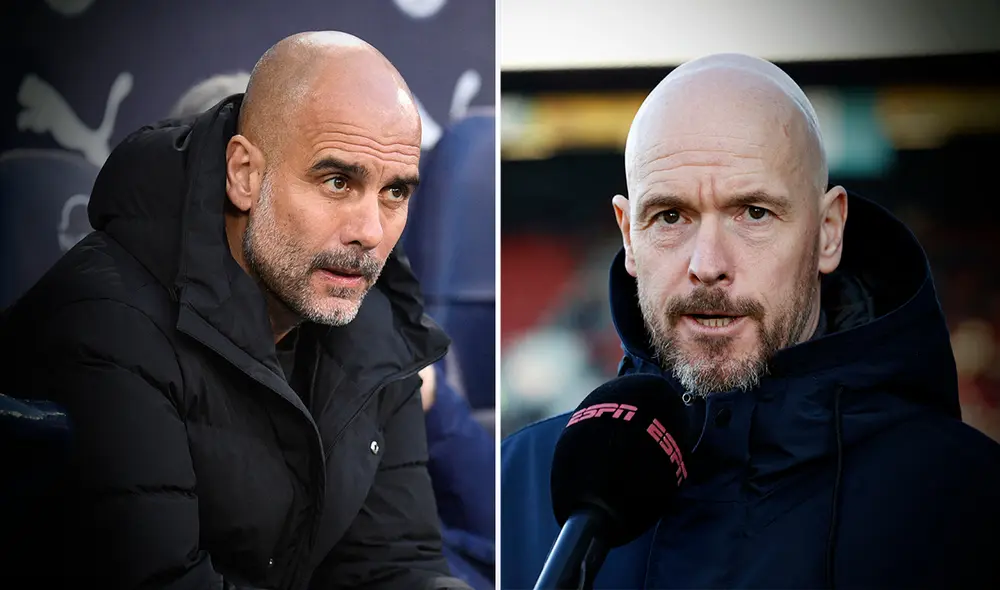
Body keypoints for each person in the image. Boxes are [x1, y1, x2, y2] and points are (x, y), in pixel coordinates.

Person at [500, 53, 1000, 589]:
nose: (708, 265)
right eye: (670, 216)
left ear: (829, 231)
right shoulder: (518, 483)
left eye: (754, 213)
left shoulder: (968, 497)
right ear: (628, 235)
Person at [0, 31, 472, 590]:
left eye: (395, 193)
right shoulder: (105, 324)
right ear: (244, 174)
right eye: (338, 181)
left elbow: (397, 568)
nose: (370, 232)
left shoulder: (371, 320)